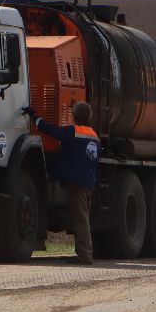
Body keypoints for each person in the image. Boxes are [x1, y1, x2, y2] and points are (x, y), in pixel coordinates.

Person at [30, 101, 100, 264]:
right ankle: (84, 253)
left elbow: (52, 131)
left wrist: (35, 118)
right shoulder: (94, 136)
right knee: (82, 217)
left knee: (80, 218)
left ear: (75, 117)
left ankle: (85, 256)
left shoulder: (73, 132)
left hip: (77, 183)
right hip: (88, 182)